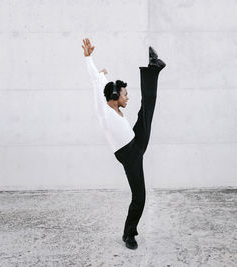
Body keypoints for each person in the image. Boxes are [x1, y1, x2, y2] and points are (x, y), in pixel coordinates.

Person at [82, 38, 165, 249]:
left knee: (146, 108)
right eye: (125, 95)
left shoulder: (115, 106)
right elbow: (95, 83)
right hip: (130, 154)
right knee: (140, 197)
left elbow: (101, 82)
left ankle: (153, 68)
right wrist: (88, 58)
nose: (127, 98)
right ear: (115, 95)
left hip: (135, 142)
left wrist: (102, 75)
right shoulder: (104, 112)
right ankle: (129, 235)